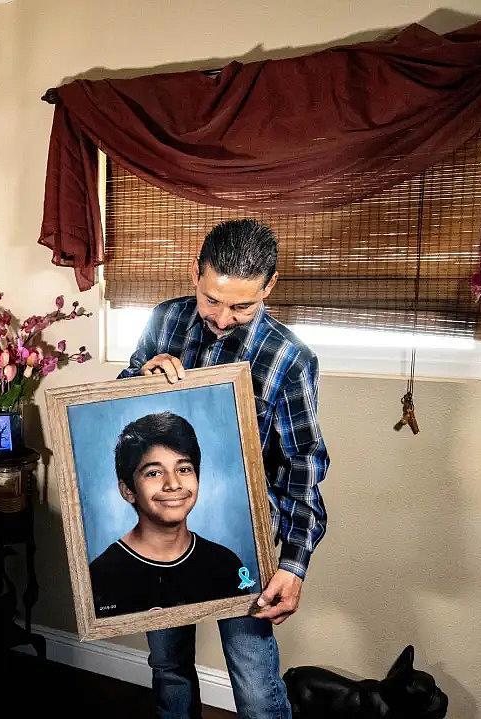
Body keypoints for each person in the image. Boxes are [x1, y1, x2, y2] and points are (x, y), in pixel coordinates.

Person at [119, 219, 329, 719]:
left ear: (269, 287)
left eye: (242, 305)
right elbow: (118, 409)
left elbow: (303, 464)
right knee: (167, 663)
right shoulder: (164, 320)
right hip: (163, 533)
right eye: (213, 299)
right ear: (196, 272)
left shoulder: (290, 358)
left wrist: (294, 564)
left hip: (243, 539)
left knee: (255, 680)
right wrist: (138, 378)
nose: (223, 317)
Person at [89, 412, 246, 621]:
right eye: (154, 473)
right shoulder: (102, 575)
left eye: (184, 469)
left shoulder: (225, 563)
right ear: (127, 490)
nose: (173, 484)